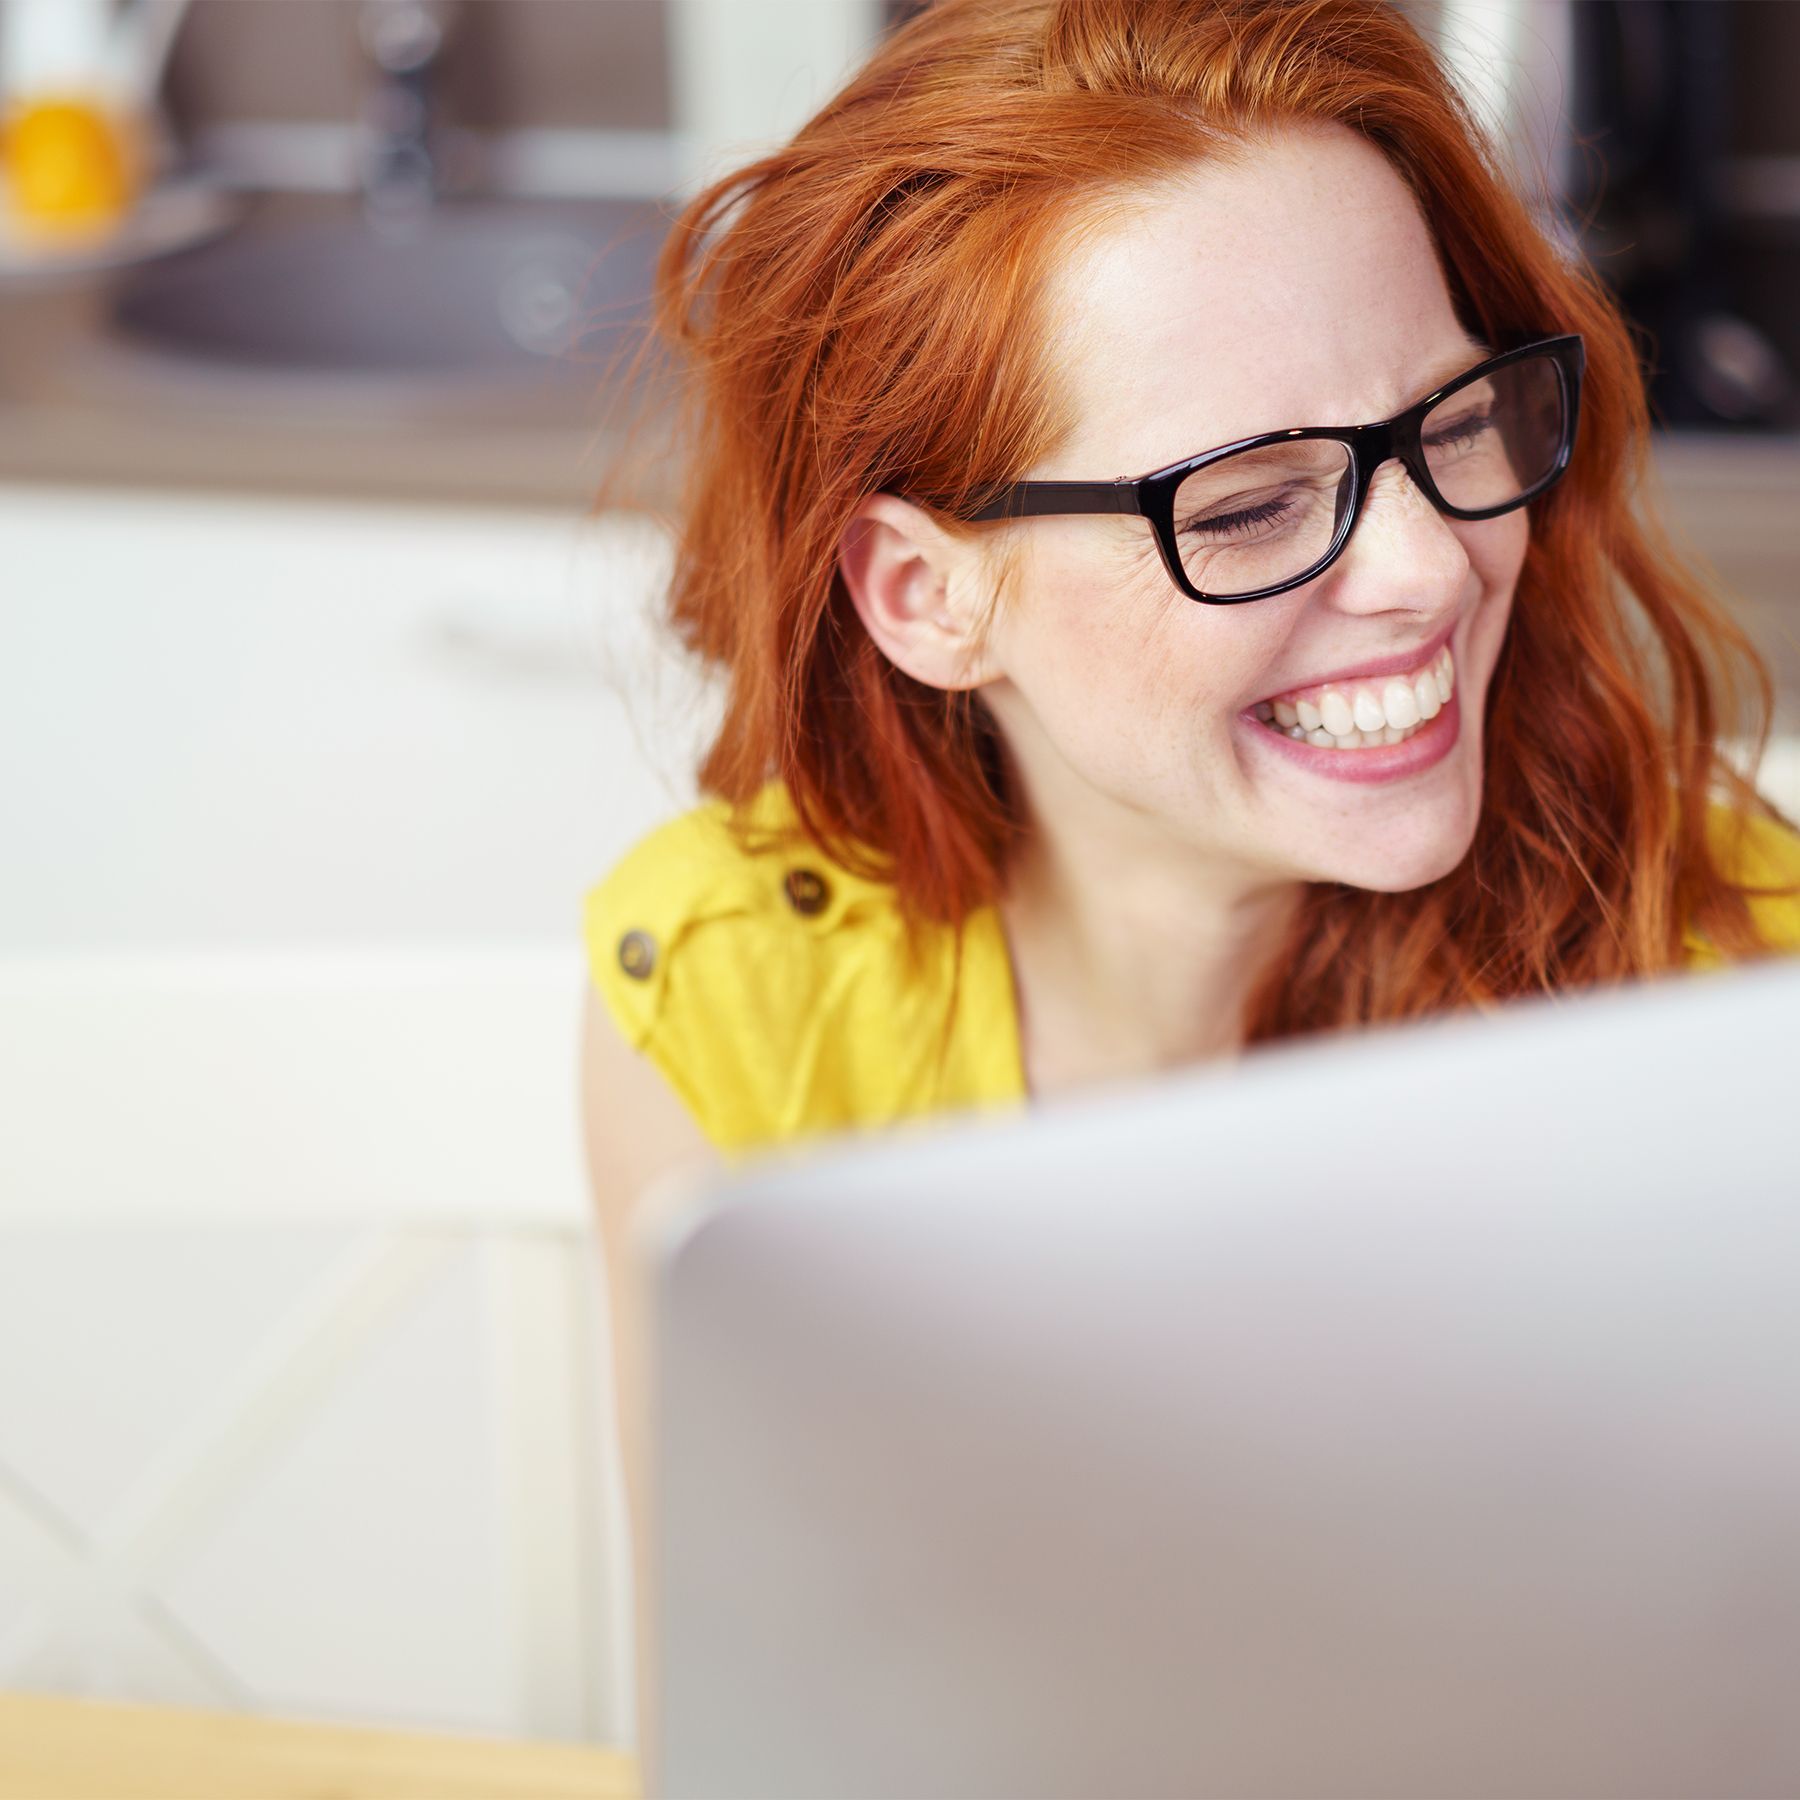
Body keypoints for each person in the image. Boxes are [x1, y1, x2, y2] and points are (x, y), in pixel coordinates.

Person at [575, 0, 1800, 1734]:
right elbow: (760, 1728)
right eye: (1244, 508)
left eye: (1453, 419)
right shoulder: (735, 1001)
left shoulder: (1727, 980)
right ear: (929, 596)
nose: (1432, 571)